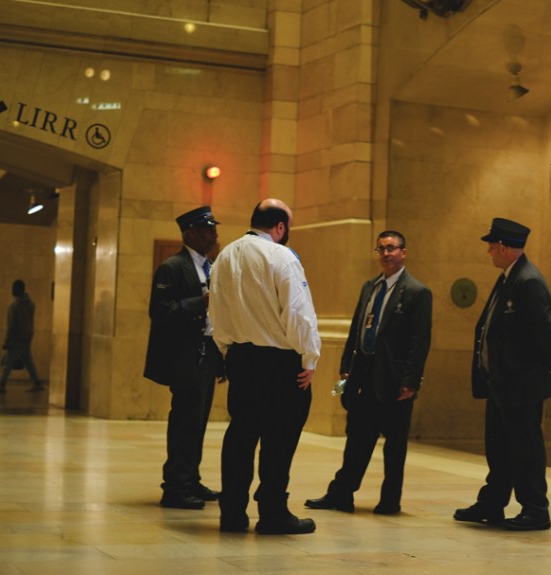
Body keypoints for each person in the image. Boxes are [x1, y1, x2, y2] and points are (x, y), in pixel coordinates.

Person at [209, 198, 322, 535]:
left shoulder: (225, 256)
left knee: (240, 435)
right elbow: (298, 313)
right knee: (279, 440)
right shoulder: (282, 256)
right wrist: (310, 357)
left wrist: (226, 351)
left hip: (240, 358)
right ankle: (273, 513)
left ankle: (232, 514)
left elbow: (216, 312)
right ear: (280, 227)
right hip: (280, 364)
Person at [305, 231, 433, 516]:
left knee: (394, 449)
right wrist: (345, 369)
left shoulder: (417, 292)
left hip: (395, 384)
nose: (386, 253)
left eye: (392, 248)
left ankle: (390, 501)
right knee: (356, 442)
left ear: (403, 252)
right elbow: (356, 330)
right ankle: (341, 494)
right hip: (363, 380)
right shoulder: (370, 287)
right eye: (381, 249)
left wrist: (410, 382)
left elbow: (420, 342)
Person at [453, 217, 551, 531]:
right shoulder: (509, 277)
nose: (488, 251)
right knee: (499, 446)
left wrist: (549, 364)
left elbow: (545, 331)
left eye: (491, 246)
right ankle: (492, 503)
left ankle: (536, 510)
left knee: (526, 448)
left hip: (521, 383)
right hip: (501, 382)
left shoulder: (529, 281)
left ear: (502, 247)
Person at [143, 206, 224, 510]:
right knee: (184, 422)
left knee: (198, 422)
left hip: (206, 354)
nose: (214, 234)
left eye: (214, 229)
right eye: (208, 230)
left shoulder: (211, 266)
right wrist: (198, 303)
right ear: (190, 234)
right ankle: (175, 486)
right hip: (184, 357)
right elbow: (159, 310)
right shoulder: (172, 267)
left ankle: (191, 479)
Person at [0, 279, 45, 394]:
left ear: (17, 290)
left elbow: (11, 325)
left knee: (8, 361)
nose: (12, 290)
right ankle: (37, 383)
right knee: (27, 360)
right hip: (27, 335)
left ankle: (1, 384)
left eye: (13, 288)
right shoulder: (31, 303)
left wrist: (7, 341)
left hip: (16, 337)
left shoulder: (14, 305)